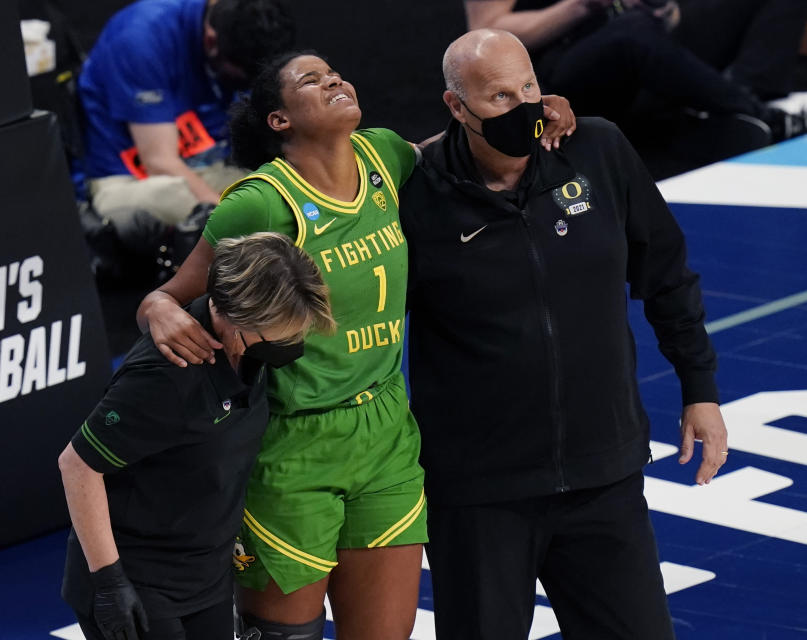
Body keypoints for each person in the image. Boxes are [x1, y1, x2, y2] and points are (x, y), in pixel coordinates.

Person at [136, 50, 575, 638]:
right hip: (294, 445)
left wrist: (536, 113)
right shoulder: (262, 202)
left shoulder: (383, 153)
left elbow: (463, 145)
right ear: (280, 121)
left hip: (386, 431)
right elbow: (169, 294)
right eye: (311, 81)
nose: (335, 79)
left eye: (336, 72)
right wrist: (158, 310)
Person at [397, 29, 729, 638]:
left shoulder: (596, 149)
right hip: (480, 493)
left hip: (603, 476)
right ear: (455, 107)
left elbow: (667, 274)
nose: (521, 106)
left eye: (528, 86)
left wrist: (699, 389)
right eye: (498, 96)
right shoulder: (414, 192)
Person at [58, 232, 335, 640]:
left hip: (206, 578)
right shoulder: (167, 377)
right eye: (276, 336)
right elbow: (77, 464)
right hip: (141, 583)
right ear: (231, 318)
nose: (286, 347)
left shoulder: (246, 353)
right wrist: (109, 582)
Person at [77, 0, 295, 235]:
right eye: (242, 78)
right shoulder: (141, 39)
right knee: (222, 219)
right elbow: (159, 162)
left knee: (283, 193)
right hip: (131, 180)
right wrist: (225, 216)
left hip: (205, 165)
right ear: (212, 41)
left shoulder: (235, 38)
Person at [463, 0, 807, 142]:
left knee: (640, 26)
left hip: (636, 40)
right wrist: (579, 6)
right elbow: (487, 31)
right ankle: (756, 112)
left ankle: (736, 93)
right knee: (631, 33)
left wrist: (662, 11)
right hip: (554, 69)